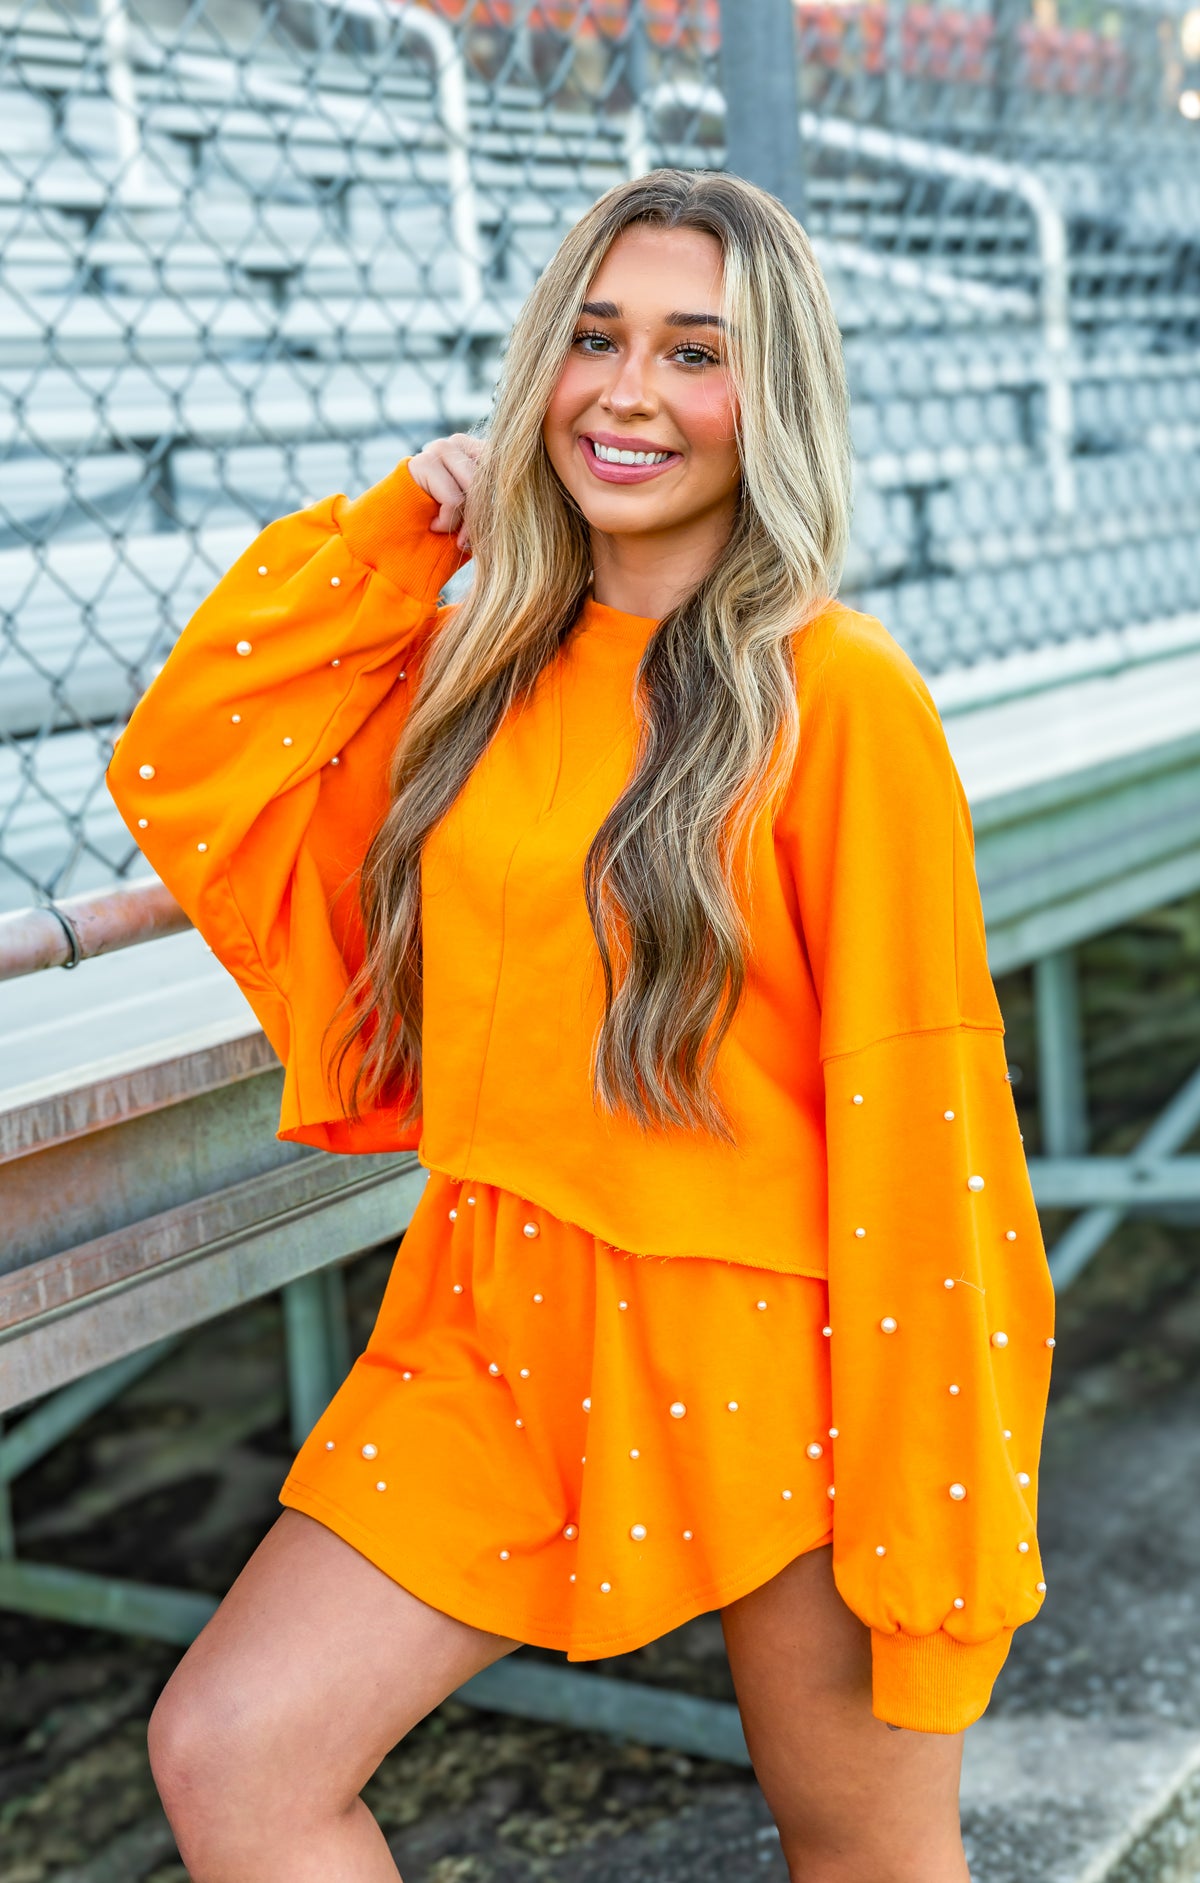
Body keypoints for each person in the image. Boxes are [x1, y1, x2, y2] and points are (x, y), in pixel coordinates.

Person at [108, 168, 1054, 1883]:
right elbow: (194, 751)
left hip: (777, 1351)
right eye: (597, 338)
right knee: (233, 1752)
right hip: (488, 1322)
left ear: (770, 401)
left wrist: (935, 1515)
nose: (630, 392)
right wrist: (404, 528)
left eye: (698, 351)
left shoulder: (846, 702)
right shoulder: (484, 672)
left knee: (868, 1858)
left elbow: (931, 1123)